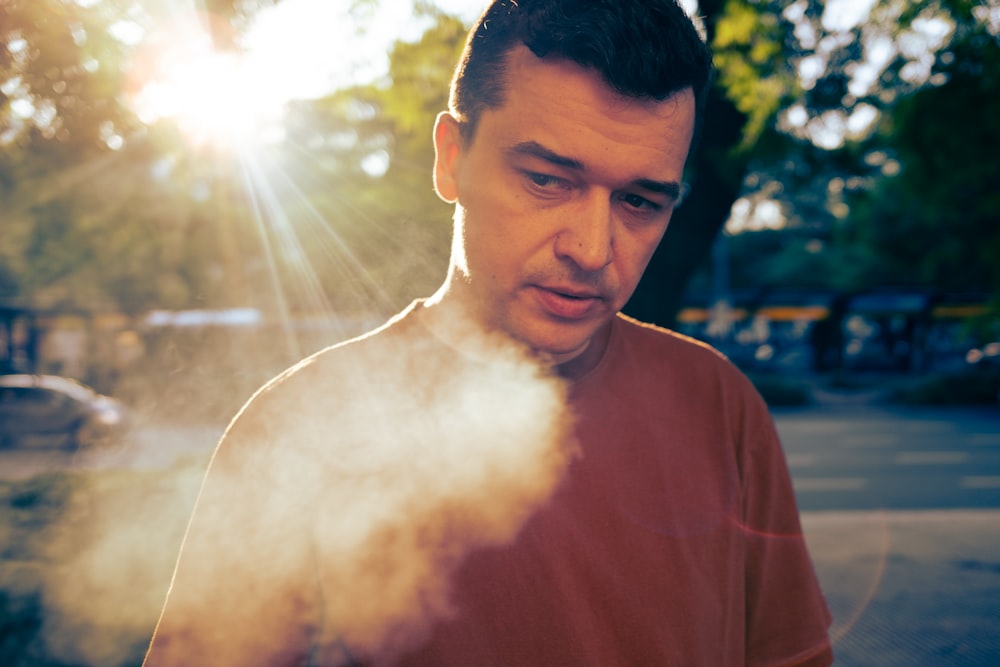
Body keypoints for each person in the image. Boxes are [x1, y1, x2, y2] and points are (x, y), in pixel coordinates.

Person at [144, 1, 833, 665]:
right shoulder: (296, 430)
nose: (594, 248)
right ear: (452, 159)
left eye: (640, 202)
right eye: (546, 180)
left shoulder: (717, 402)